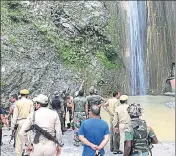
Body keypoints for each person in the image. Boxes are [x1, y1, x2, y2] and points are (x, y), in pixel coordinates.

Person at [11, 89, 34, 156]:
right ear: (27, 95)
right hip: (27, 122)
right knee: (28, 138)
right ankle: (28, 152)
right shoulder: (30, 102)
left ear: (20, 95)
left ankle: (18, 154)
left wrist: (13, 126)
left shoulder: (17, 103)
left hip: (19, 122)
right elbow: (32, 114)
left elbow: (15, 115)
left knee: (18, 140)